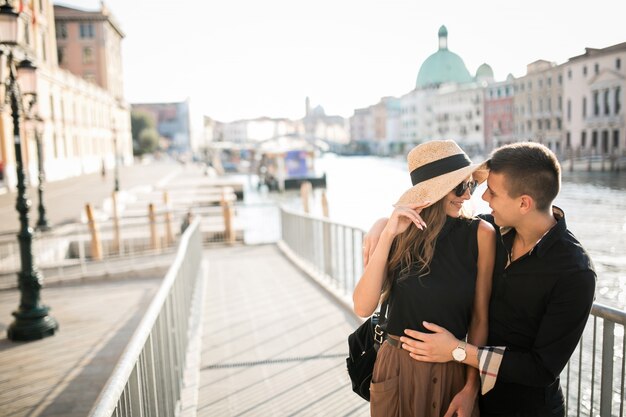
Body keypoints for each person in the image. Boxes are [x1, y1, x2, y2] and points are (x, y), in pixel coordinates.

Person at [364, 142, 597, 417]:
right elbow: (442, 223)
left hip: (522, 407)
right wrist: (382, 225)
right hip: (464, 394)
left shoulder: (575, 272)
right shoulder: (492, 230)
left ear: (524, 203)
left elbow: (541, 368)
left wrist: (458, 351)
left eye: (493, 192)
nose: (483, 197)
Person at [353, 140, 496, 417]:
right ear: (436, 189)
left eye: (471, 185)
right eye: (459, 187)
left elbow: (480, 318)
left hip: (451, 370)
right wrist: (386, 234)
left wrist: (470, 389)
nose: (467, 196)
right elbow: (362, 307)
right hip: (396, 369)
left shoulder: (481, 234)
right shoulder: (397, 233)